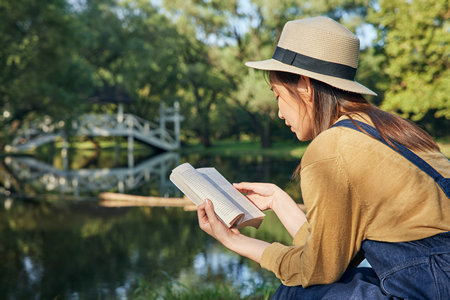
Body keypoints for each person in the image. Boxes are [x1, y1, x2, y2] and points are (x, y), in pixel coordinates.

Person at [196, 16, 450, 299]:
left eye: (278, 95)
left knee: (298, 294)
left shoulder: (331, 148)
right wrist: (279, 201)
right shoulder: (386, 129)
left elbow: (316, 271)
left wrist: (231, 239)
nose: (279, 112)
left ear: (304, 85)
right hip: (435, 275)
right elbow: (328, 255)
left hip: (434, 283)